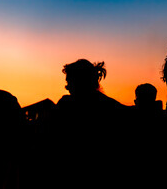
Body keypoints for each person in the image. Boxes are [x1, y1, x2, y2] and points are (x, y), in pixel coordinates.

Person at [51, 59, 130, 187]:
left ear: (80, 81)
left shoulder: (66, 106)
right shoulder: (112, 107)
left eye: (69, 81)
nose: (67, 87)